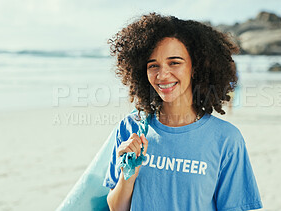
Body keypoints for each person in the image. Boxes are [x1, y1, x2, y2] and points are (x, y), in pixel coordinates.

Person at [104, 13, 262, 211]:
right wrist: (129, 174)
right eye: (153, 65)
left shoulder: (226, 139)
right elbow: (116, 207)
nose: (162, 75)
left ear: (195, 67)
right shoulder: (130, 128)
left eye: (174, 62)